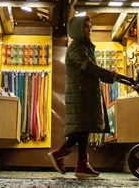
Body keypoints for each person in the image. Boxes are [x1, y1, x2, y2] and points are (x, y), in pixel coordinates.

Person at [48, 15, 116, 179]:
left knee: (85, 127)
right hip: (81, 93)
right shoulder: (76, 47)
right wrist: (108, 74)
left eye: (90, 26)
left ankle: (81, 164)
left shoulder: (84, 47)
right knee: (83, 127)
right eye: (86, 26)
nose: (89, 29)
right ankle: (59, 153)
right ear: (78, 29)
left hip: (85, 92)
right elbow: (88, 66)